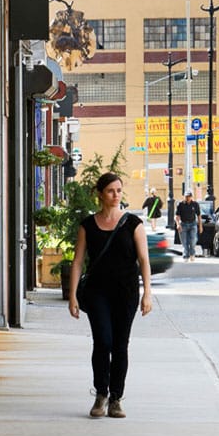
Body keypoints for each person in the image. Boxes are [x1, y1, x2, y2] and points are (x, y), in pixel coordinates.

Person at [68, 172, 152, 419]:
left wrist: (147, 292)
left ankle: (116, 398)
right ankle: (101, 393)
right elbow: (77, 262)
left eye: (119, 190)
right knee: (103, 341)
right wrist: (72, 295)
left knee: (120, 345)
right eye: (110, 191)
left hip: (125, 292)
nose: (116, 195)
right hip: (97, 292)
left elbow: (144, 260)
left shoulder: (133, 224)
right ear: (100, 194)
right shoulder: (88, 225)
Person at [175, 190, 202, 260]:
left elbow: (199, 215)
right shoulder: (180, 204)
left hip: (193, 224)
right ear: (184, 197)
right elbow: (177, 216)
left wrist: (200, 226)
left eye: (189, 196)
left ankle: (192, 253)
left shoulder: (195, 204)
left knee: (193, 239)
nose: (188, 198)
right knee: (184, 241)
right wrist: (178, 224)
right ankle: (186, 255)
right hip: (183, 224)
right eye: (186, 196)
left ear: (191, 197)